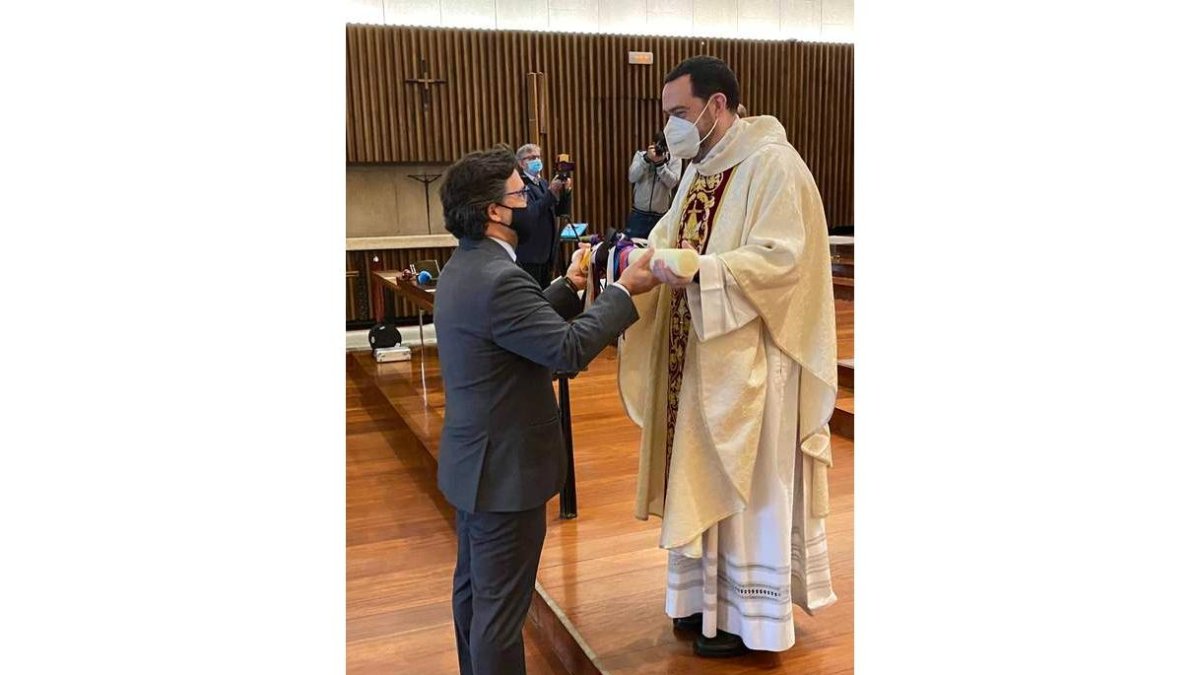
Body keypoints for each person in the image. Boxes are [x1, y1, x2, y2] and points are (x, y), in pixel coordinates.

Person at [617, 56, 839, 658]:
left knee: (747, 486)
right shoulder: (700, 168)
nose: (672, 127)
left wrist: (704, 271)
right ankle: (700, 602)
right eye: (667, 114)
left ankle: (747, 621)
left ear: (717, 105)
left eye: (680, 112)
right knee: (695, 473)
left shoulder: (774, 165)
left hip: (751, 365)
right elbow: (666, 237)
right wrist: (633, 257)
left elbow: (783, 260)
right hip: (695, 360)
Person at [434, 146, 661, 675]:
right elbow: (565, 351)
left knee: (475, 597)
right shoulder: (501, 278)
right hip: (505, 471)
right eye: (522, 194)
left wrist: (570, 286)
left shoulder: (467, 266)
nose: (534, 202)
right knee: (499, 614)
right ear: (494, 211)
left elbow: (514, 329)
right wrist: (623, 290)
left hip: (475, 463)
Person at [511, 143, 572, 288]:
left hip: (547, 253)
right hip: (530, 254)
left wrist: (566, 192)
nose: (536, 160)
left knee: (545, 293)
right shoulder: (521, 185)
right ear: (521, 163)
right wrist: (550, 193)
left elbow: (560, 212)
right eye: (531, 158)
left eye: (538, 157)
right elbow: (530, 212)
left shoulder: (543, 183)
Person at [626, 131, 682, 239]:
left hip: (660, 216)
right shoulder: (641, 156)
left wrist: (660, 165)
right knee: (633, 245)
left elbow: (672, 183)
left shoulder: (674, 160)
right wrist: (646, 160)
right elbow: (632, 177)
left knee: (658, 247)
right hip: (639, 214)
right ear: (652, 144)